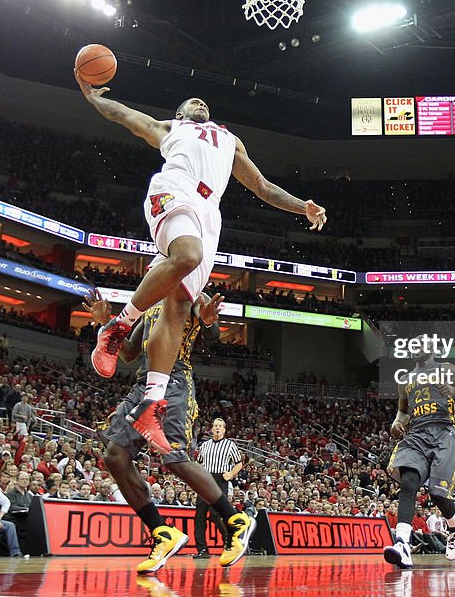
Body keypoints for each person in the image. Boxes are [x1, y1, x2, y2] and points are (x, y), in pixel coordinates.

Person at [77, 75, 326, 453]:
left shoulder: (230, 140)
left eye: (204, 103)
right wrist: (94, 98)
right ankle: (118, 326)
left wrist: (301, 206)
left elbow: (261, 186)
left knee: (176, 306)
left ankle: (152, 404)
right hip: (173, 191)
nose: (201, 104)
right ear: (180, 113)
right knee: (187, 255)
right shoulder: (170, 128)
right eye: (192, 102)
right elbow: (125, 115)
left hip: (209, 214)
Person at [85, 289, 254, 574]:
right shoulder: (150, 302)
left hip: (175, 381)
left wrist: (209, 322)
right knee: (115, 456)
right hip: (143, 384)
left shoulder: (190, 292)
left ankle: (235, 520)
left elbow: (210, 335)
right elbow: (127, 353)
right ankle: (162, 533)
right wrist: (106, 321)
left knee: (174, 458)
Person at [383, 341, 455, 569]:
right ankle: (402, 543)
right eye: (413, 345)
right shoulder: (405, 380)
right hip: (417, 434)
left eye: (421, 344)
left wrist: (454, 391)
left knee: (437, 491)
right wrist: (396, 423)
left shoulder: (447, 369)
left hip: (444, 431)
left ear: (432, 349)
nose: (416, 347)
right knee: (408, 483)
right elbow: (402, 413)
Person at [192, 417, 244, 559]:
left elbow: (239, 463)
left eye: (220, 426)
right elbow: (198, 463)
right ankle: (202, 550)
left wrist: (231, 474)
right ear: (212, 428)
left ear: (224, 429)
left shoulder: (230, 445)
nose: (217, 428)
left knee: (216, 514)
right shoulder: (204, 445)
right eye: (215, 425)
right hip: (205, 479)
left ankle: (230, 541)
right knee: (200, 516)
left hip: (220, 479)